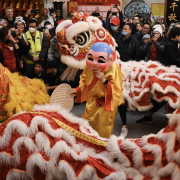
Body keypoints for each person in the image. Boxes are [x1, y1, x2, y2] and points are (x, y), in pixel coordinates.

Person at [71, 42, 123, 138]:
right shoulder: (88, 67)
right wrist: (77, 90)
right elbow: (84, 82)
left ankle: (102, 147)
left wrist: (104, 81)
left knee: (104, 128)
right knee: (87, 125)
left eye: (100, 60)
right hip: (92, 102)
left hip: (106, 104)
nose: (94, 63)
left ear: (110, 60)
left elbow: (117, 91)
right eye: (90, 59)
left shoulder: (114, 70)